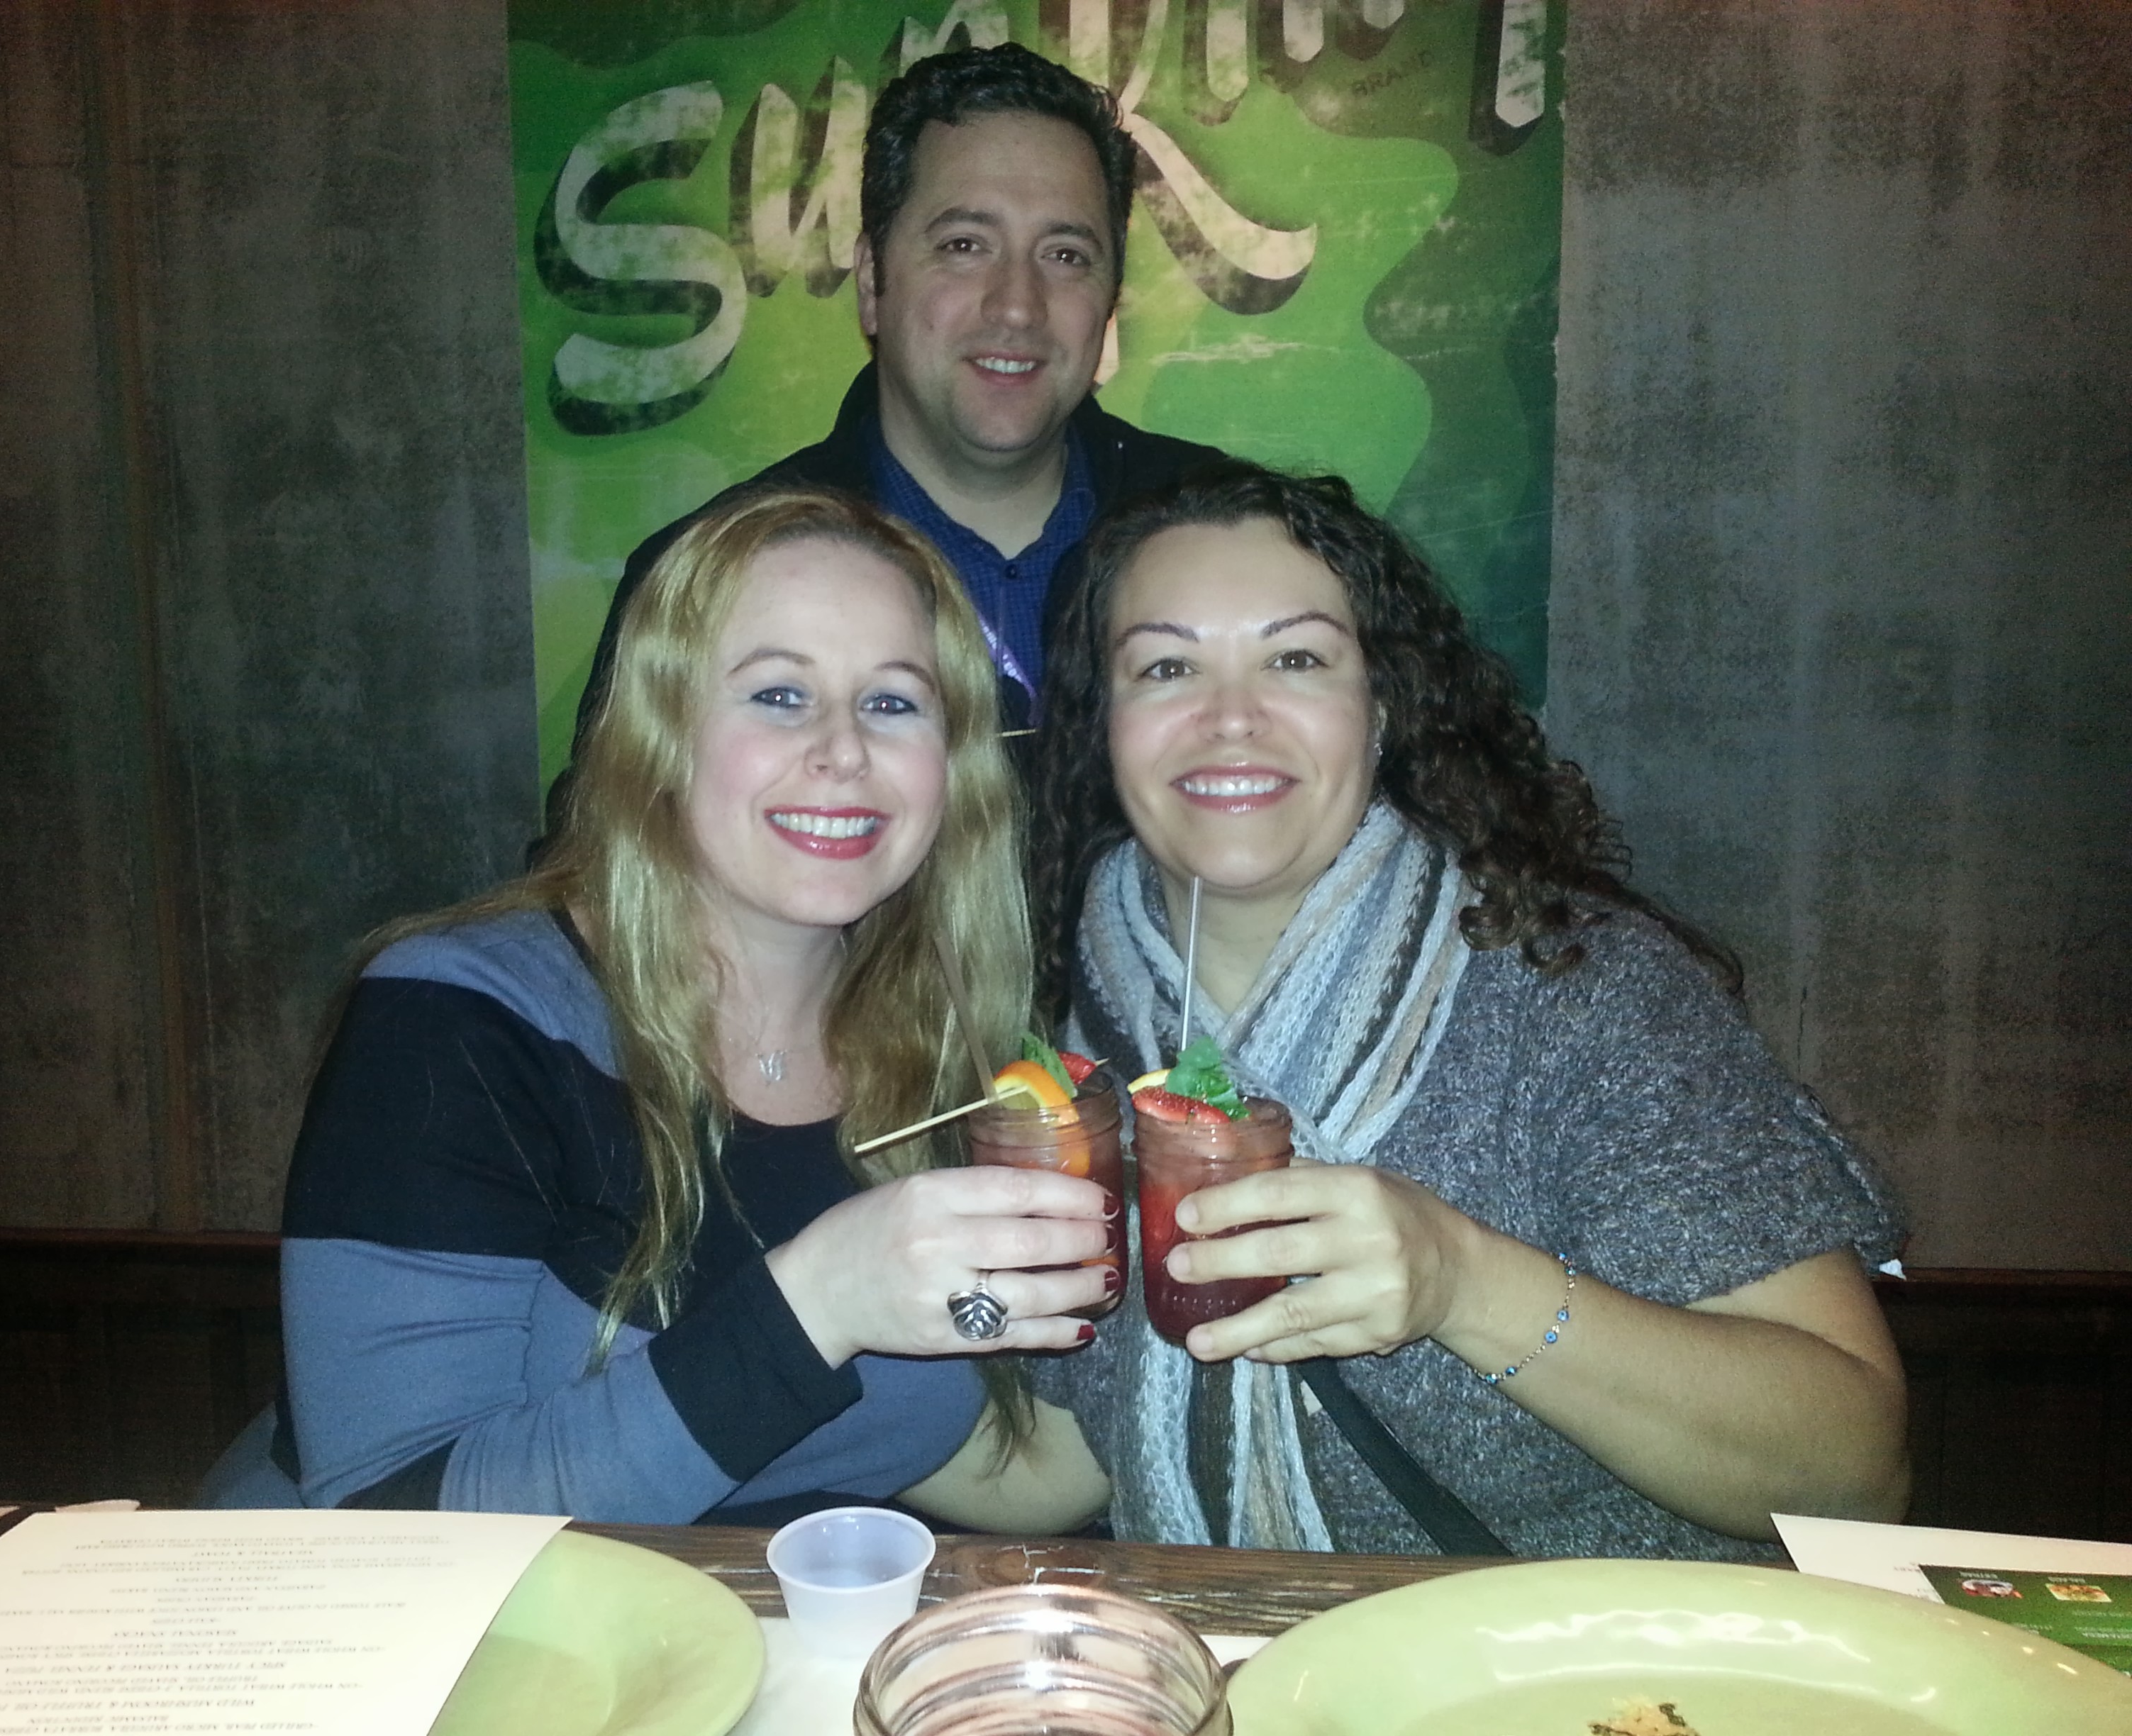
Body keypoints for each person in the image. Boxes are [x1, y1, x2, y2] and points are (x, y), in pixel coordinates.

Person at [1007, 461, 1911, 1559]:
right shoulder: (1067, 1044)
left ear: (1382, 708)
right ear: (1105, 723)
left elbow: (1852, 1475)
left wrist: (1464, 1283)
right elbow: (1064, 1461)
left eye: (1297, 659)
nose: (1230, 717)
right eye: (1165, 667)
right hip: (1241, 1643)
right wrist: (841, 1306)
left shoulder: (1582, 993)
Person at [202, 488, 1114, 1520]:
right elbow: (391, 1520)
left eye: (894, 703)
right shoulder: (459, 1019)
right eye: (780, 694)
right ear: (663, 732)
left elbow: (995, 1469)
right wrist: (820, 1299)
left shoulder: (935, 1050)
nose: (844, 750)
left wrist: (1202, 1291)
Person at [543, 43, 1226, 840]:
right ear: (872, 281)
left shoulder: (1230, 540)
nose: (1017, 305)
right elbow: (606, 874)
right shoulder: (707, 577)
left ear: (1110, 297)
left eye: (1066, 255)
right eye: (964, 245)